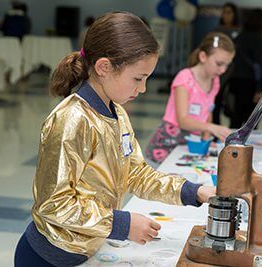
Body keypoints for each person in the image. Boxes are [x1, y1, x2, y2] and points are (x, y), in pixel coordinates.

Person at [14, 12, 215, 267]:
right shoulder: (72, 119)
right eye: (138, 79)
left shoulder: (116, 112)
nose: (142, 89)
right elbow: (54, 204)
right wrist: (122, 224)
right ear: (104, 67)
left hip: (87, 250)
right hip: (49, 258)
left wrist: (194, 191)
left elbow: (135, 173)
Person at [145, 32, 234, 164]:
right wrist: (212, 128)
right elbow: (183, 121)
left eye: (227, 65)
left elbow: (207, 113)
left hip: (191, 143)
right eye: (219, 64)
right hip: (168, 143)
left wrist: (205, 141)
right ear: (203, 56)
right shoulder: (185, 78)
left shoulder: (215, 81)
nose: (223, 70)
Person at [228, 8, 262, 128]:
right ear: (261, 22)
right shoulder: (258, 39)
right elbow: (260, 66)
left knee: (236, 117)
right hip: (251, 83)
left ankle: (231, 144)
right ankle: (246, 145)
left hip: (235, 80)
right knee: (252, 121)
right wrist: (259, 89)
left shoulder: (239, 37)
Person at [212, 2, 240, 125]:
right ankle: (215, 130)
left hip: (237, 73)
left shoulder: (240, 30)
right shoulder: (217, 31)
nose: (225, 15)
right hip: (220, 72)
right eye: (224, 12)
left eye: (228, 12)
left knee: (234, 104)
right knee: (216, 101)